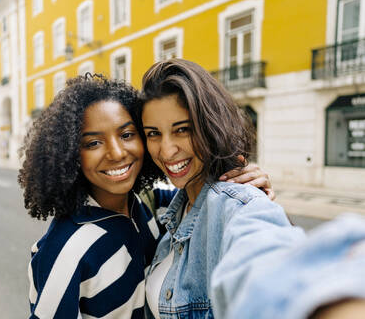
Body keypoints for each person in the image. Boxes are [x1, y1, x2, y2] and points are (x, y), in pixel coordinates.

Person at [18, 74, 272, 318]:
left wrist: (247, 182)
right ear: (69, 154)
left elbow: (204, 199)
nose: (117, 153)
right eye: (93, 143)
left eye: (127, 135)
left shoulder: (151, 203)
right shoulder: (64, 251)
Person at [139, 58, 365, 319]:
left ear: (209, 126)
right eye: (153, 133)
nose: (166, 150)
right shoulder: (171, 208)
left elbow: (263, 257)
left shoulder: (237, 203)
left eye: (183, 130)